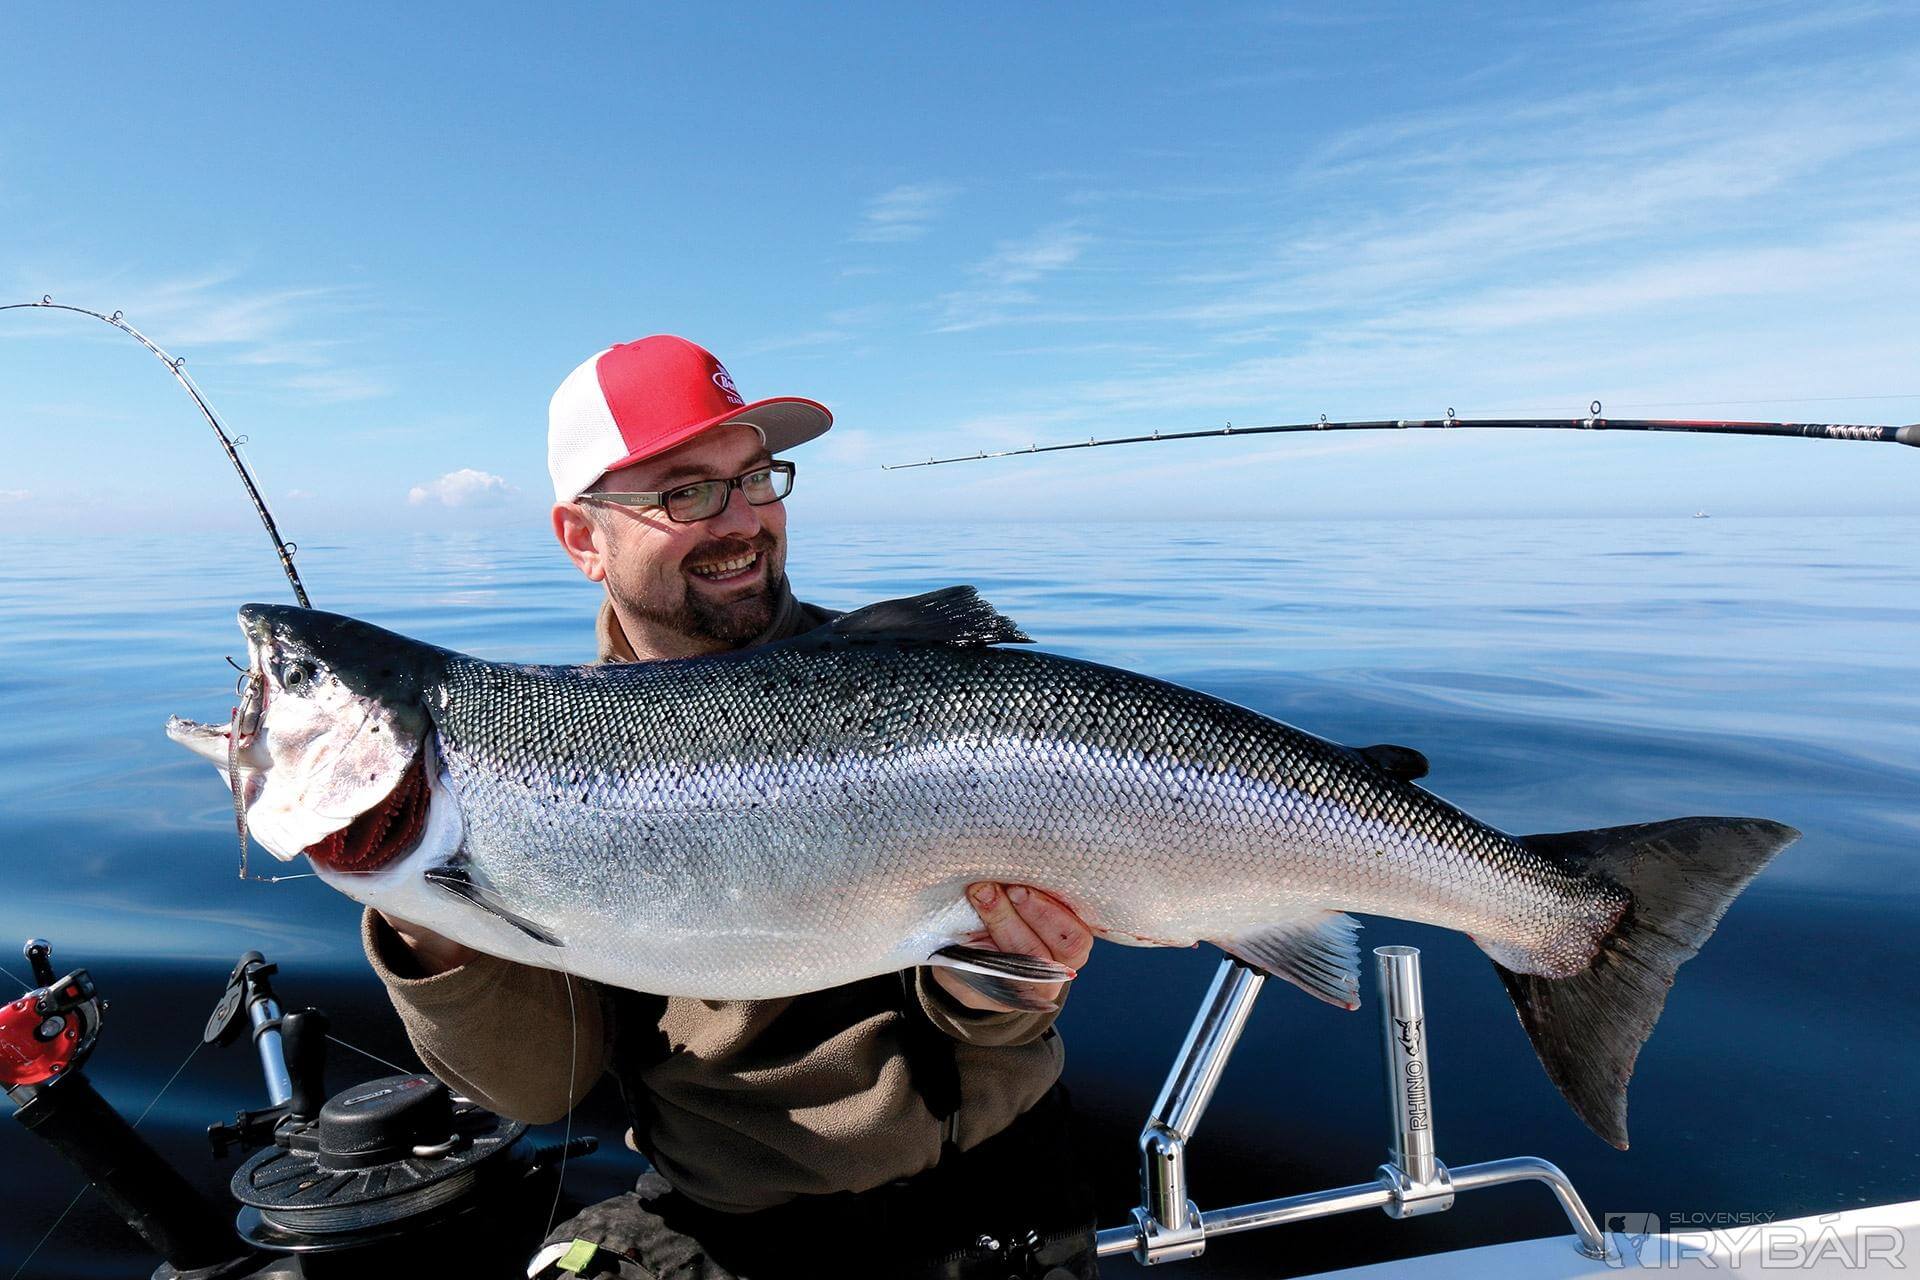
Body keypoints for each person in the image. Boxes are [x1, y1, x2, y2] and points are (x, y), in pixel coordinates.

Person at [362, 335, 1102, 1279]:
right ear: (584, 538)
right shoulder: (534, 767)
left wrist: (1005, 987)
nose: (743, 519)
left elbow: (998, 1017)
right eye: (685, 491)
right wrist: (428, 905)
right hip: (745, 1235)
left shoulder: (914, 682)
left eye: (757, 478)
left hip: (1008, 1196)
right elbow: (539, 1086)